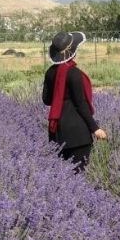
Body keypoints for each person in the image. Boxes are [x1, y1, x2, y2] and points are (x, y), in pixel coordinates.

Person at [43, 31, 107, 173]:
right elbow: (81, 104)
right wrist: (95, 128)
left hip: (57, 132)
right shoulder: (74, 73)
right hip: (78, 134)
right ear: (73, 52)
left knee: (60, 176)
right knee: (78, 175)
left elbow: (46, 100)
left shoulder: (50, 72)